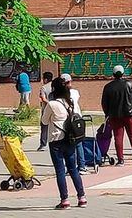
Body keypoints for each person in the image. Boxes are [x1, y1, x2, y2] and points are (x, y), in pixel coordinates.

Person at [41, 77, 87, 209]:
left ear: (54, 90)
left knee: (60, 171)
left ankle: (65, 200)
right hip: (70, 139)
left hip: (56, 140)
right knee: (73, 169)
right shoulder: (70, 102)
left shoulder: (52, 104)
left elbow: (44, 121)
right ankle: (82, 197)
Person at [101, 65, 132, 166]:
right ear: (123, 73)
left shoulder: (108, 87)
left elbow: (104, 103)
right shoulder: (130, 84)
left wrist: (107, 113)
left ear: (113, 74)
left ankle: (121, 160)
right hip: (130, 114)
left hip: (115, 115)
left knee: (118, 137)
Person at [60, 74, 87, 175]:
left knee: (69, 143)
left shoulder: (61, 94)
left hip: (68, 120)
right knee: (78, 142)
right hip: (77, 119)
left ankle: (71, 166)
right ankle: (82, 166)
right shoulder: (75, 92)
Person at [38, 72, 54, 152]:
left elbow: (43, 99)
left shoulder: (43, 88)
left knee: (44, 126)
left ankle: (43, 144)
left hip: (46, 109)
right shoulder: (55, 86)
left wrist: (50, 104)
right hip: (56, 110)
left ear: (46, 79)